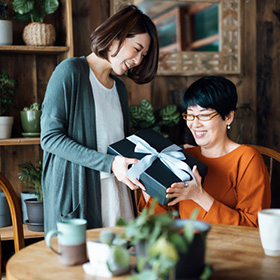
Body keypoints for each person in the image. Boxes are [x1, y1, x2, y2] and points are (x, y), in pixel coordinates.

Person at [41, 5, 159, 233]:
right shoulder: (70, 72)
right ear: (116, 36)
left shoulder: (120, 89)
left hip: (118, 193)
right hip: (81, 196)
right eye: (136, 49)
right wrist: (110, 164)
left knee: (120, 262)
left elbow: (121, 145)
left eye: (143, 56)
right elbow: (50, 138)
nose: (137, 60)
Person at [138, 76, 271, 227]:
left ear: (228, 116)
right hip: (186, 245)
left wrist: (199, 196)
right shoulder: (184, 156)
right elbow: (162, 222)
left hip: (231, 247)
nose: (195, 124)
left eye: (204, 115)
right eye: (190, 114)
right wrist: (145, 182)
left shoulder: (247, 159)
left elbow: (253, 226)